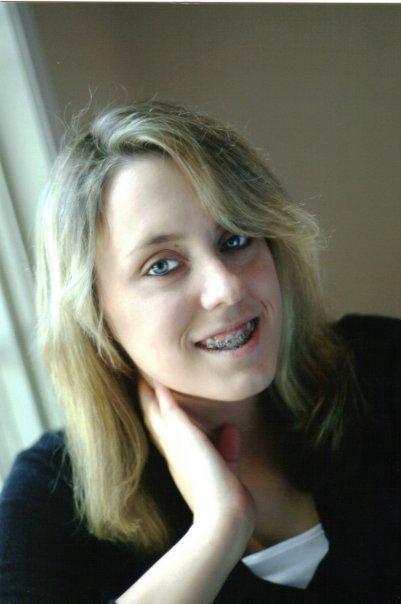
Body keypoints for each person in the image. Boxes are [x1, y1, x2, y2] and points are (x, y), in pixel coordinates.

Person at [0, 100, 399, 603]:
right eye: (162, 265)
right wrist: (218, 529)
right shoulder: (51, 495)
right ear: (95, 314)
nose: (226, 289)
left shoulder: (381, 365)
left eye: (236, 238)